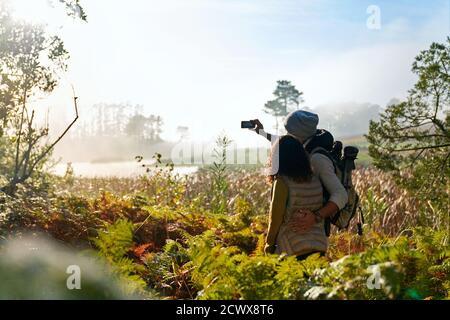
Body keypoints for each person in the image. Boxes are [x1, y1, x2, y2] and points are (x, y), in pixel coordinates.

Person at [251, 110, 348, 259]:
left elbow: (341, 195)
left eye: (289, 131)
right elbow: (284, 145)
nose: (286, 134)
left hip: (298, 241)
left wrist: (316, 216)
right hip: (315, 241)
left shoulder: (317, 159)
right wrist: (262, 132)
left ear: (298, 134)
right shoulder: (302, 150)